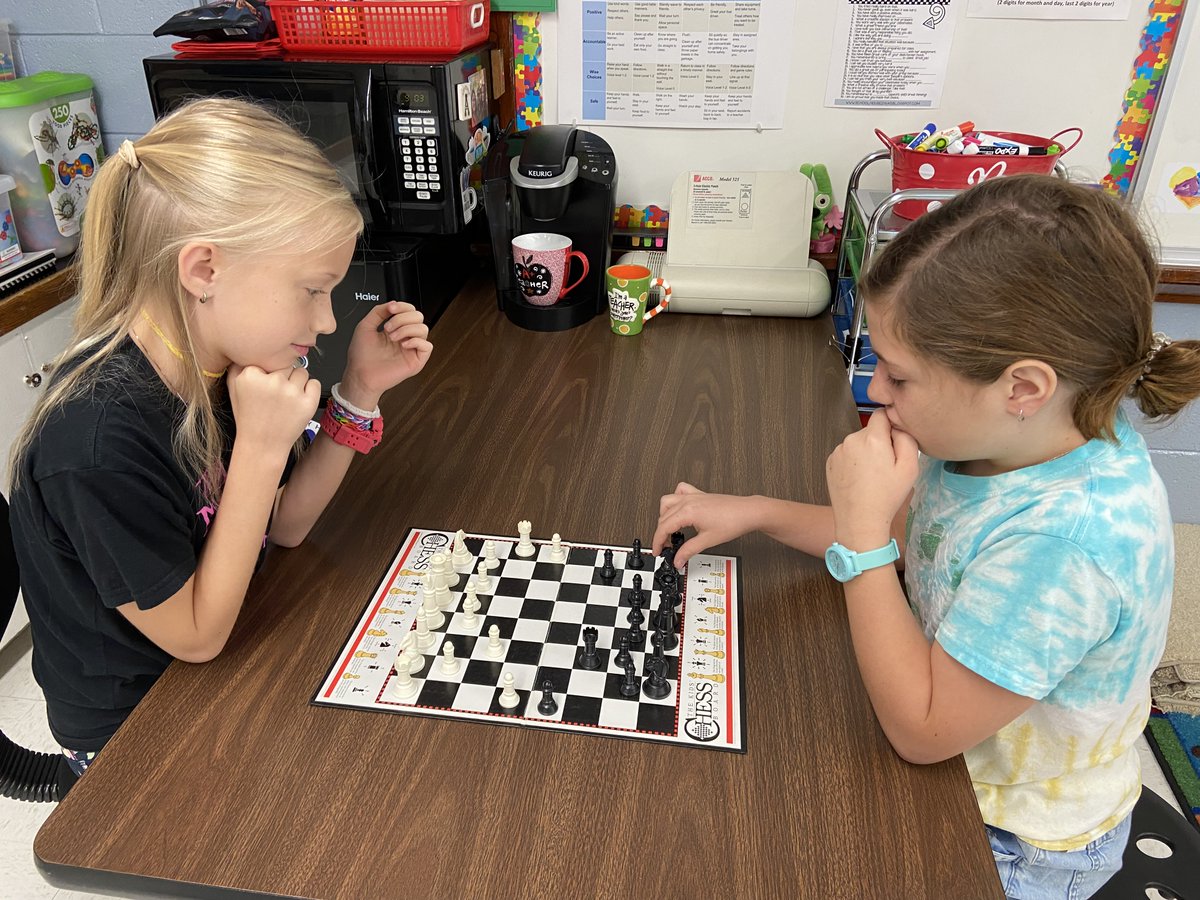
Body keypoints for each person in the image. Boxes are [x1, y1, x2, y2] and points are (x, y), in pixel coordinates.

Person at [652, 175, 1200, 899]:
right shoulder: (1005, 438)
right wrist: (760, 511)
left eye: (901, 377)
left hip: (1015, 839)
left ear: (1022, 389)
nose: (876, 391)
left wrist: (860, 533)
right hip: (955, 755)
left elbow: (922, 730)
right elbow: (922, 540)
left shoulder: (1068, 543)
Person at [7, 98, 432, 786]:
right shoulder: (94, 440)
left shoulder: (223, 366)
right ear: (203, 270)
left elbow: (284, 526)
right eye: (312, 290)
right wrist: (263, 450)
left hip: (231, 654)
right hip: (139, 736)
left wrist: (358, 389)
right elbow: (197, 637)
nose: (326, 320)